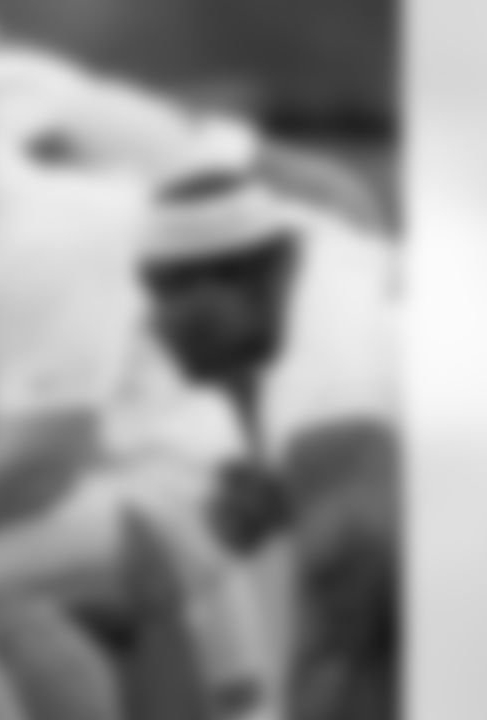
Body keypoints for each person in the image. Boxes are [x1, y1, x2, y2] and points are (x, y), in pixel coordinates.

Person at [141, 197, 400, 720]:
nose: (156, 326)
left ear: (250, 279)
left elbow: (338, 648)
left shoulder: (329, 404)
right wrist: (282, 488)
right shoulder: (331, 269)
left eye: (168, 296)